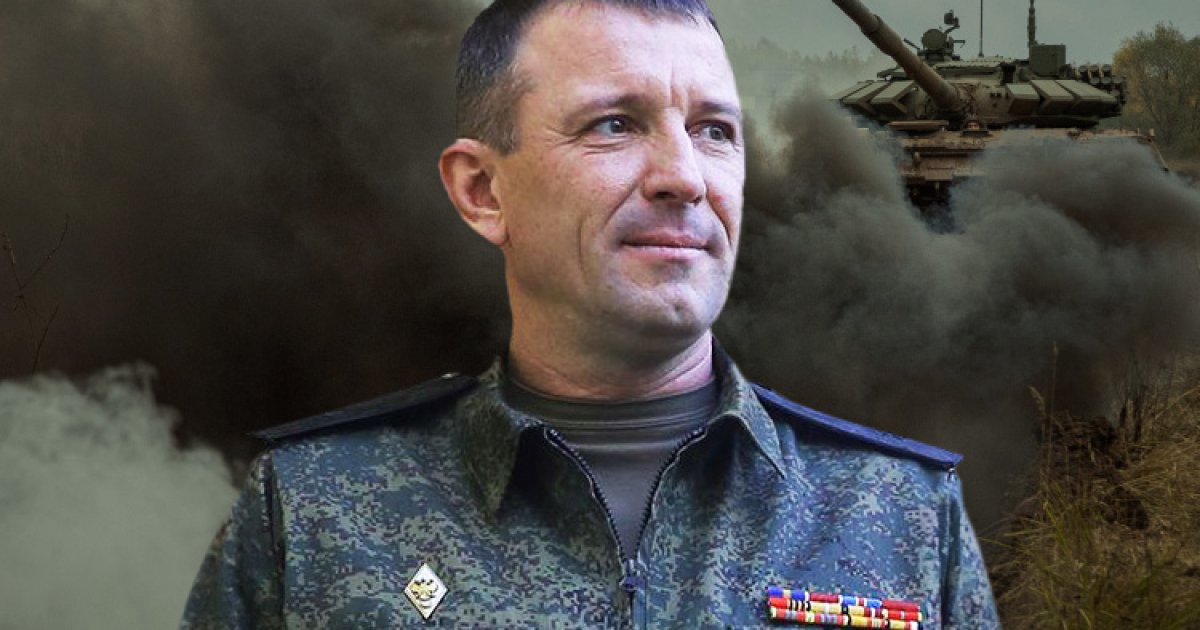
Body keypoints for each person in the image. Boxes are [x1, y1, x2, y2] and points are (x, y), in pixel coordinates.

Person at [181, 0, 999, 627]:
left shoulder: (900, 513)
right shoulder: (312, 512)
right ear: (482, 190)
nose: (685, 176)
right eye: (614, 124)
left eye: (715, 130)